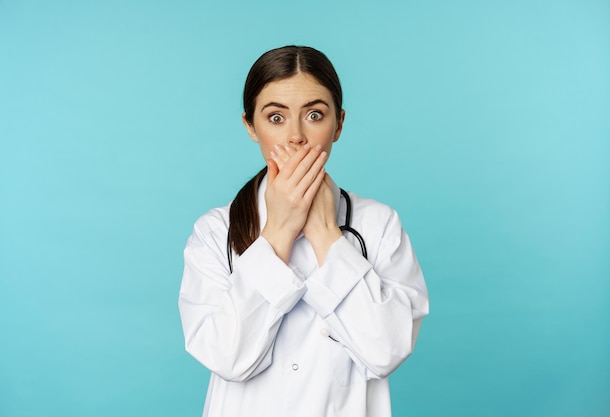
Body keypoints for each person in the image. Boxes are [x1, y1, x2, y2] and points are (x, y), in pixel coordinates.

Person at [178, 45, 429, 417]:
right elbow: (227, 359)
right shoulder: (215, 231)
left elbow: (387, 351)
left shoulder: (378, 225)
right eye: (275, 117)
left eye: (314, 114)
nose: (295, 137)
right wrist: (279, 230)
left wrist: (327, 233)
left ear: (338, 125)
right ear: (251, 126)